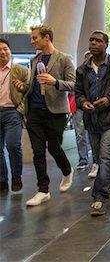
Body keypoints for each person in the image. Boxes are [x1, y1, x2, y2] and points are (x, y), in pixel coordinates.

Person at [14, 25, 75, 206]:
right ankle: (43, 190)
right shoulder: (34, 61)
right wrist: (22, 86)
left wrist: (55, 82)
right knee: (38, 151)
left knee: (54, 147)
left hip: (55, 111)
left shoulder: (64, 59)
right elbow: (31, 86)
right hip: (34, 112)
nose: (32, 41)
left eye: (35, 38)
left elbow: (72, 84)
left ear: (46, 38)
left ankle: (66, 170)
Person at [75, 30, 110, 216]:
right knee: (100, 158)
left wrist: (109, 99)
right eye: (91, 40)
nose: (93, 43)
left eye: (98, 40)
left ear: (106, 45)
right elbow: (78, 93)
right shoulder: (82, 69)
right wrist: (83, 102)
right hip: (91, 120)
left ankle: (99, 196)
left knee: (106, 155)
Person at [0, 38, 28, 192]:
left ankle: (17, 177)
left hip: (12, 112)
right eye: (0, 50)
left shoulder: (20, 70)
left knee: (13, 145)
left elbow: (29, 91)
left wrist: (20, 109)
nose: (3, 52)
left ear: (10, 51)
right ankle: (2, 180)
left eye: (5, 49)